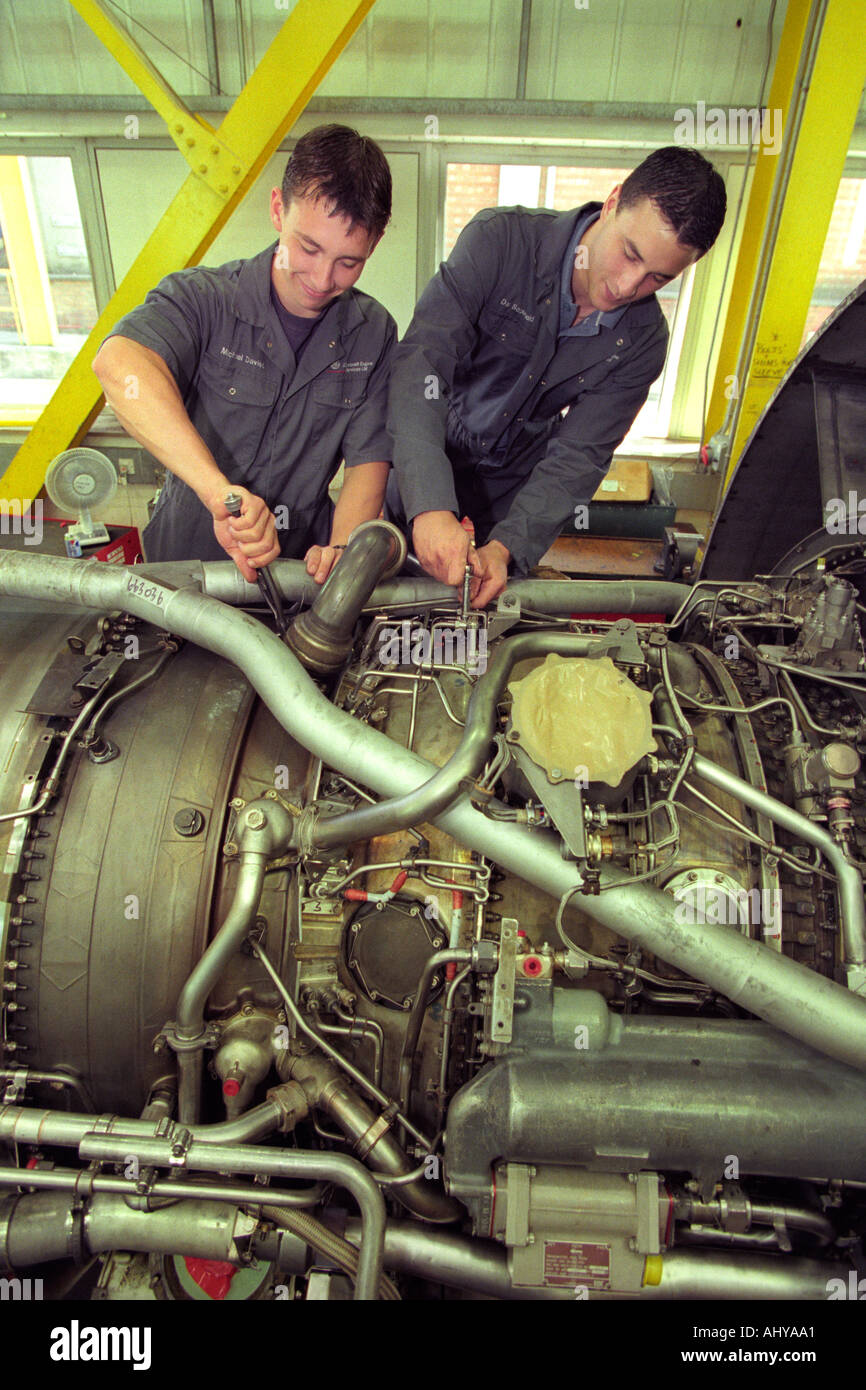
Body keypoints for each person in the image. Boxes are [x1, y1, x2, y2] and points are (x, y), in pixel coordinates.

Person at [386, 145, 727, 607]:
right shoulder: (500, 243)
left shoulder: (643, 342)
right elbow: (421, 366)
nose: (628, 287)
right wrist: (428, 505)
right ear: (612, 202)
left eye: (658, 278)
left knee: (483, 623)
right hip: (426, 456)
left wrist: (505, 549)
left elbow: (578, 457)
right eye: (629, 253)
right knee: (385, 597)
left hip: (513, 497)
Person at [93, 124, 394, 585]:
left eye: (348, 262)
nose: (321, 277)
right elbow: (119, 367)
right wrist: (220, 495)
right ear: (278, 209)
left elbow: (368, 459)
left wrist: (341, 551)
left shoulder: (373, 332)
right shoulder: (203, 299)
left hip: (299, 579)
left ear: (374, 243)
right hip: (185, 574)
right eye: (309, 247)